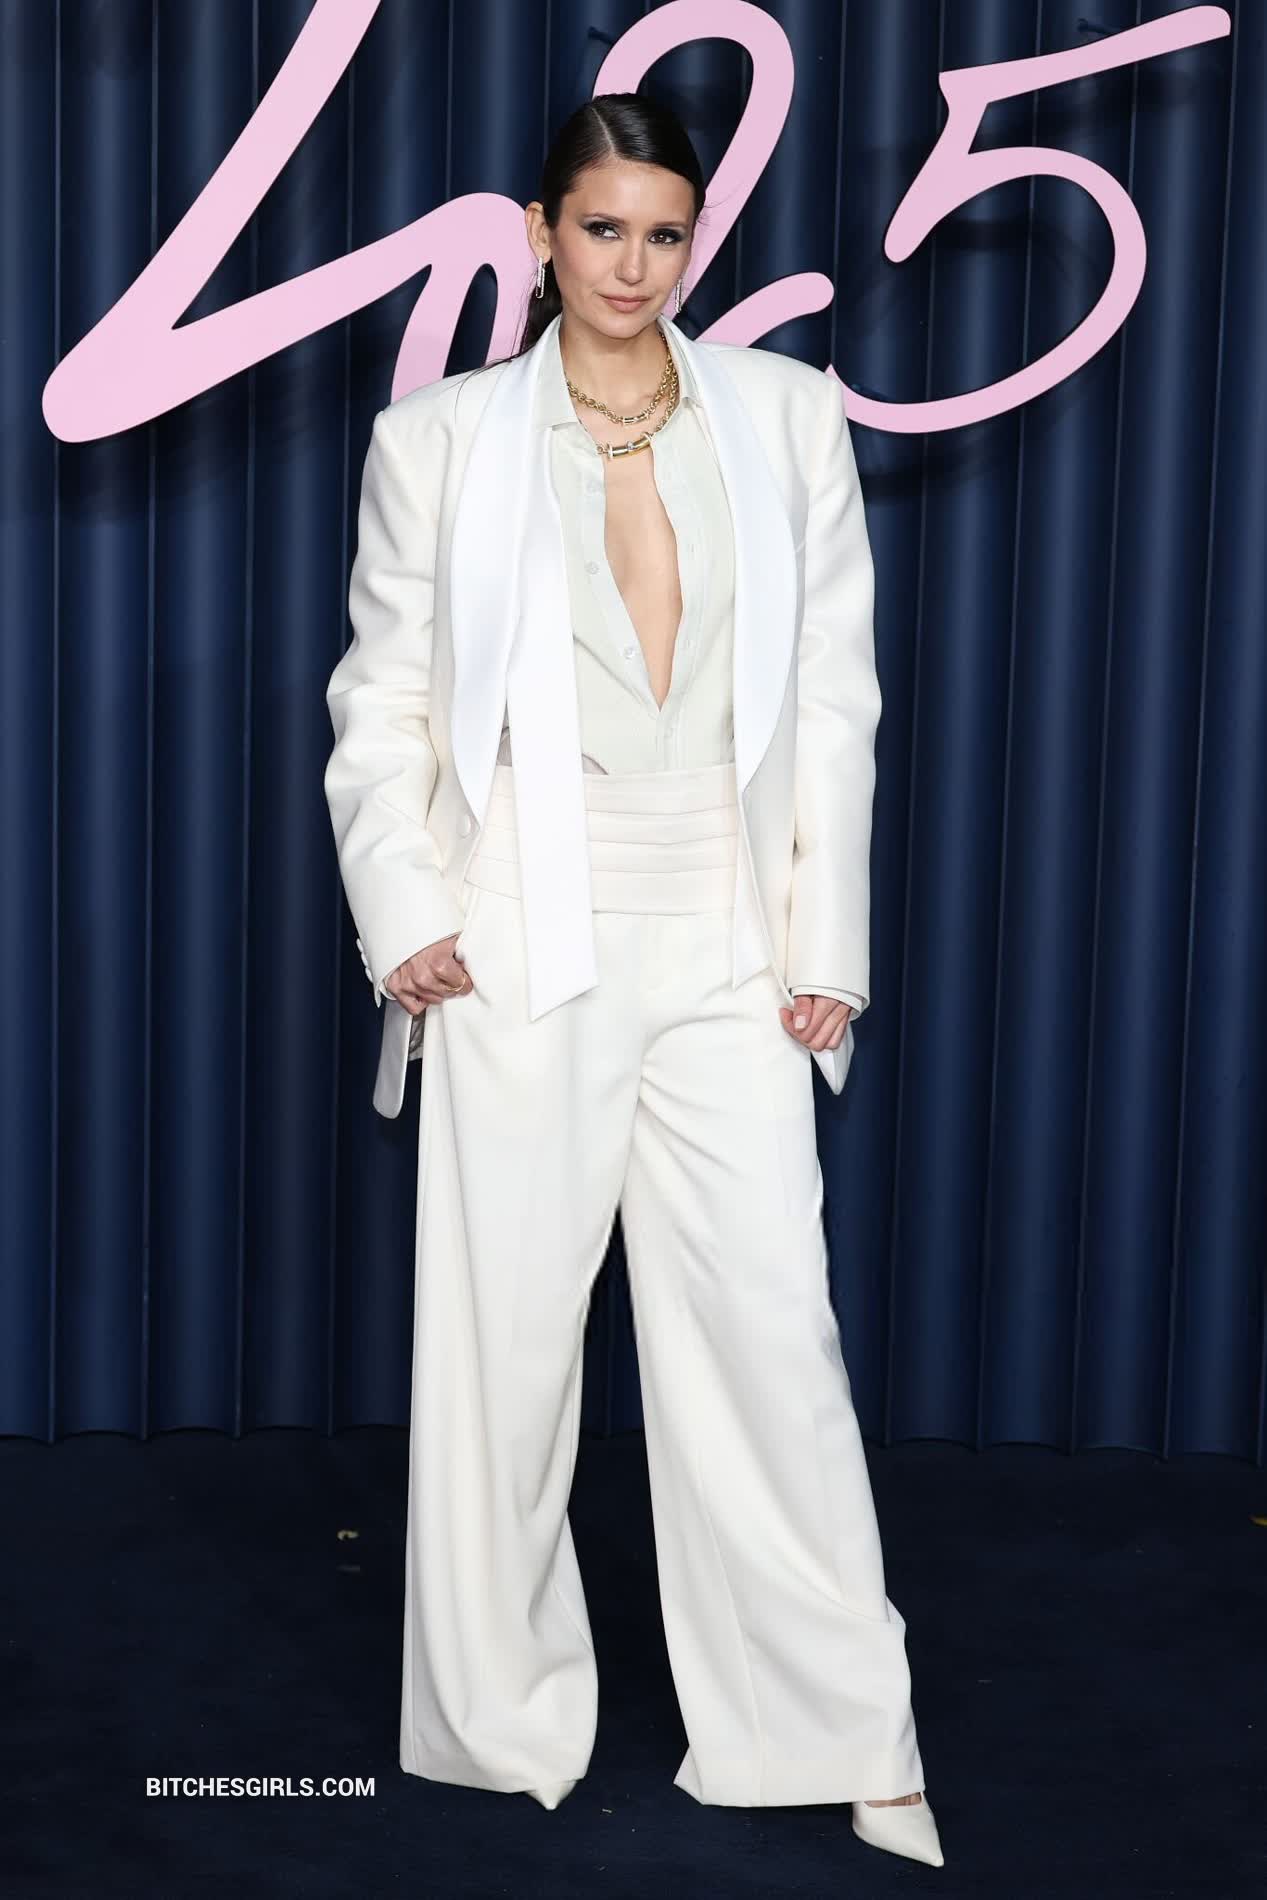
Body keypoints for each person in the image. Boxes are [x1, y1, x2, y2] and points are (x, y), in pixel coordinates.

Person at [323, 93, 944, 1870]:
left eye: (664, 234)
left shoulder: (785, 416)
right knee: (505, 1349)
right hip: (519, 925)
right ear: (540, 233)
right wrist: (405, 908)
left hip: (728, 935)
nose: (633, 265)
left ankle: (833, 1725)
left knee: (770, 1337)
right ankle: (500, 1721)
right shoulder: (440, 439)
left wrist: (827, 946)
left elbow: (835, 702)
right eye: (602, 229)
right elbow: (382, 701)